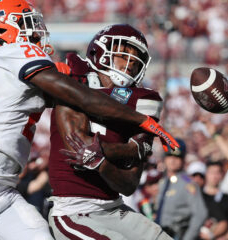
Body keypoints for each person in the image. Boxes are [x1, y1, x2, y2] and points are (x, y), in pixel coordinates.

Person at [0, 1, 178, 240]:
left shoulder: (5, 63)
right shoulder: (13, 51)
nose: (35, 30)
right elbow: (81, 96)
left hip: (3, 187)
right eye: (26, 23)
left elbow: (82, 92)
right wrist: (141, 120)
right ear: (3, 27)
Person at [48, 24, 172, 239]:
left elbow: (129, 184)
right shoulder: (73, 82)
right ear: (100, 52)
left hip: (115, 208)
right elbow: (80, 149)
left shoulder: (142, 101)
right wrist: (128, 150)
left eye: (136, 59)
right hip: (73, 211)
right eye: (124, 54)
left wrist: (102, 161)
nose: (131, 63)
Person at [154, 139, 207, 240]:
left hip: (176, 234)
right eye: (170, 156)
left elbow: (200, 214)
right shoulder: (163, 182)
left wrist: (187, 238)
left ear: (183, 160)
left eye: (177, 157)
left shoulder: (188, 184)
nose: (173, 160)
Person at [199, 161, 228, 240]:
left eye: (217, 172)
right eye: (211, 172)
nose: (214, 176)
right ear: (206, 174)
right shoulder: (198, 197)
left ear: (222, 175)